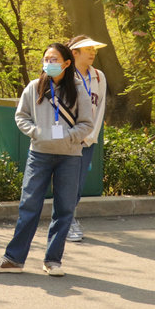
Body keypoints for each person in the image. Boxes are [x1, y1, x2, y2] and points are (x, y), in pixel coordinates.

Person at [0, 43, 93, 276]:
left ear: (67, 63)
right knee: (29, 206)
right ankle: (14, 259)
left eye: (54, 59)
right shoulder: (34, 87)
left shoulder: (78, 89)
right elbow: (21, 116)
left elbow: (87, 123)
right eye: (46, 59)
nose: (49, 63)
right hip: (39, 154)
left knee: (64, 210)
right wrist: (36, 132)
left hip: (70, 156)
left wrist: (70, 136)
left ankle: (53, 260)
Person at [65, 35, 108, 243]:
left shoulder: (98, 76)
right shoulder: (64, 75)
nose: (92, 53)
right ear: (75, 53)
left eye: (94, 49)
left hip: (87, 140)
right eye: (88, 49)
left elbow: (100, 109)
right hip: (66, 140)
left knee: (78, 183)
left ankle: (68, 219)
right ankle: (65, 221)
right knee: (66, 181)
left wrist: (90, 136)